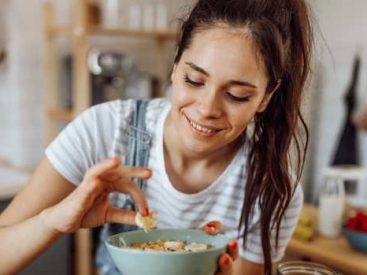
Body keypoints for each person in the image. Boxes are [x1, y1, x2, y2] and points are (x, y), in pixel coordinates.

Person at [0, 0, 313, 274]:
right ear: (176, 65)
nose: (207, 109)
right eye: (194, 80)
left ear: (266, 97)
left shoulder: (271, 188)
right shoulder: (106, 129)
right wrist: (53, 221)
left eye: (236, 95)